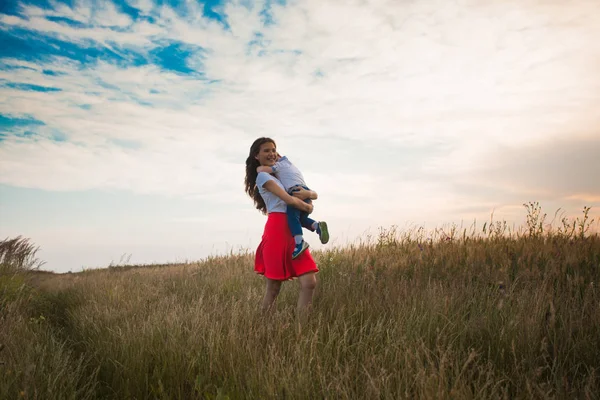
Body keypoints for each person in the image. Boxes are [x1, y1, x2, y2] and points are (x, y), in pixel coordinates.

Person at [245, 137, 319, 312]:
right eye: (266, 150)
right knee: (273, 288)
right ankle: (262, 327)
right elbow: (289, 200)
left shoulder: (280, 173)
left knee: (309, 282)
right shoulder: (263, 177)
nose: (271, 153)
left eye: (273, 150)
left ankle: (302, 332)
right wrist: (308, 206)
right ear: (257, 155)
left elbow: (308, 192)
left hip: (292, 227)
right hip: (277, 228)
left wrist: (309, 194)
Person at [256, 153, 329, 259]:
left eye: (274, 153)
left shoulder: (281, 165)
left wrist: (259, 167)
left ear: (280, 157)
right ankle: (317, 226)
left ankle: (299, 243)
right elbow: (314, 195)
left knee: (292, 217)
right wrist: (308, 197)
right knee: (301, 219)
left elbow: (263, 170)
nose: (272, 156)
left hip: (296, 191)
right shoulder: (291, 166)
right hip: (304, 191)